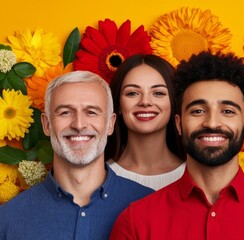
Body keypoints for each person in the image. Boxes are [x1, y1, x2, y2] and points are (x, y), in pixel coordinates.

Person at [110, 52, 244, 240]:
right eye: (198, 111)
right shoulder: (136, 221)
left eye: (227, 111)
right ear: (179, 124)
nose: (212, 123)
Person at [0, 71, 154, 239]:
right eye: (65, 112)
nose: (79, 125)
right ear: (46, 124)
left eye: (92, 112)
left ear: (110, 124)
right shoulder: (8, 219)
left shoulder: (150, 206)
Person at [106, 54, 185, 190]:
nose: (145, 102)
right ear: (118, 105)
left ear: (173, 102)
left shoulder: (195, 175)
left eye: (158, 93)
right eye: (132, 93)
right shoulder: (100, 176)